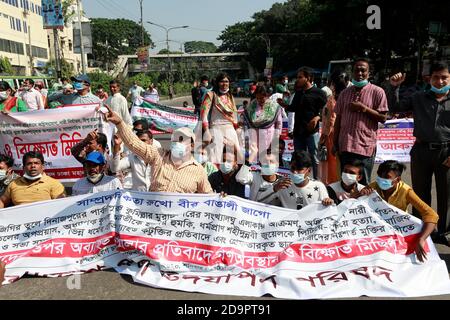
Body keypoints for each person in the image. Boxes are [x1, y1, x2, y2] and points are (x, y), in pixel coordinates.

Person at [387, 61, 450, 243]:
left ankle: (443, 233)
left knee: (446, 194)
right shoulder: (418, 97)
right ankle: (422, 228)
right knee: (420, 193)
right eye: (436, 77)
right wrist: (394, 88)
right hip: (421, 151)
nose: (440, 81)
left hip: (446, 152)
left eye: (444, 77)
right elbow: (396, 107)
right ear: (430, 78)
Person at [105, 106, 213, 193]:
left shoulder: (198, 170)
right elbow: (134, 143)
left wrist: (222, 200)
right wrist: (119, 123)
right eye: (174, 139)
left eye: (181, 139)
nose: (177, 142)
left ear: (192, 145)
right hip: (153, 215)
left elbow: (209, 198)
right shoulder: (158, 155)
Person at [357, 160, 440, 259]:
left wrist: (421, 239)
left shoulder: (406, 191)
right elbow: (354, 205)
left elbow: (431, 215)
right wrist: (360, 195)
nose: (382, 179)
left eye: (387, 177)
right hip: (377, 229)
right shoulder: (373, 187)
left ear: (398, 179)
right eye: (380, 175)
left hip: (399, 230)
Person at [333, 58, 388, 185]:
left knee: (363, 185)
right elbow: (338, 120)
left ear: (369, 73)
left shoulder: (377, 92)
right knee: (345, 184)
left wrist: (363, 108)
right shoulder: (344, 93)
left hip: (364, 147)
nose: (360, 73)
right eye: (356, 70)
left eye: (363, 70)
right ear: (352, 72)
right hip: (345, 146)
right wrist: (335, 143)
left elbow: (383, 118)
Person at [286, 67, 328, 179]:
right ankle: (301, 180)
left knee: (315, 159)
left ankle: (317, 182)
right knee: (299, 158)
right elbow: (293, 108)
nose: (297, 79)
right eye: (297, 77)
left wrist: (317, 118)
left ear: (308, 78)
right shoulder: (298, 93)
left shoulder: (319, 93)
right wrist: (284, 105)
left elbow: (326, 111)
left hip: (312, 133)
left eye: (300, 77)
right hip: (298, 132)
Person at [0, 151, 65, 207]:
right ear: (24, 167)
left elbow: (62, 204)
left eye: (36, 163)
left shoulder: (54, 184)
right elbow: (2, 201)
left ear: (43, 167)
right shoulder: (13, 184)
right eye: (29, 163)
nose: (33, 166)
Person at [201, 73, 240, 165]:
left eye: (226, 81)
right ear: (217, 83)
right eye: (222, 81)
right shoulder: (210, 95)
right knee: (216, 158)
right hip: (216, 129)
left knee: (234, 158)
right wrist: (206, 131)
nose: (224, 83)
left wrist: (237, 128)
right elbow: (204, 115)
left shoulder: (230, 96)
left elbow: (234, 115)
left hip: (230, 130)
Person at [318, 71, 348, 185]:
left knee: (332, 163)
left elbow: (331, 121)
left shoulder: (332, 100)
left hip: (331, 136)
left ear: (332, 84)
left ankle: (332, 185)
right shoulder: (346, 98)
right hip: (342, 133)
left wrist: (324, 136)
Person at [242, 85, 283, 164]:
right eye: (257, 98)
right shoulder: (252, 105)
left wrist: (275, 139)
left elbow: (279, 124)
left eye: (261, 98)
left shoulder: (274, 106)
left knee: (267, 161)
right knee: (254, 158)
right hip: (254, 137)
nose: (259, 100)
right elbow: (245, 118)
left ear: (267, 96)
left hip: (269, 137)